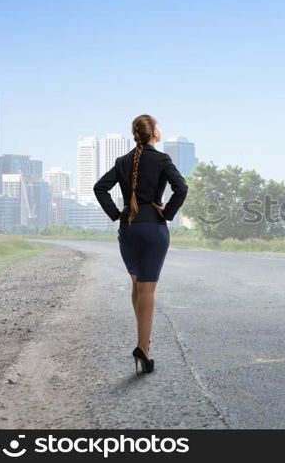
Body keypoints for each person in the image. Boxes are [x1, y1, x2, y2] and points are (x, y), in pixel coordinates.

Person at [93, 114, 188, 374]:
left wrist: (116, 214)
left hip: (129, 228)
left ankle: (143, 342)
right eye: (159, 125)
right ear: (154, 133)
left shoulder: (123, 161)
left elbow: (100, 188)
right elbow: (181, 188)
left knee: (137, 285)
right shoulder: (161, 159)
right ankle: (143, 348)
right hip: (152, 228)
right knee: (147, 290)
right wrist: (167, 213)